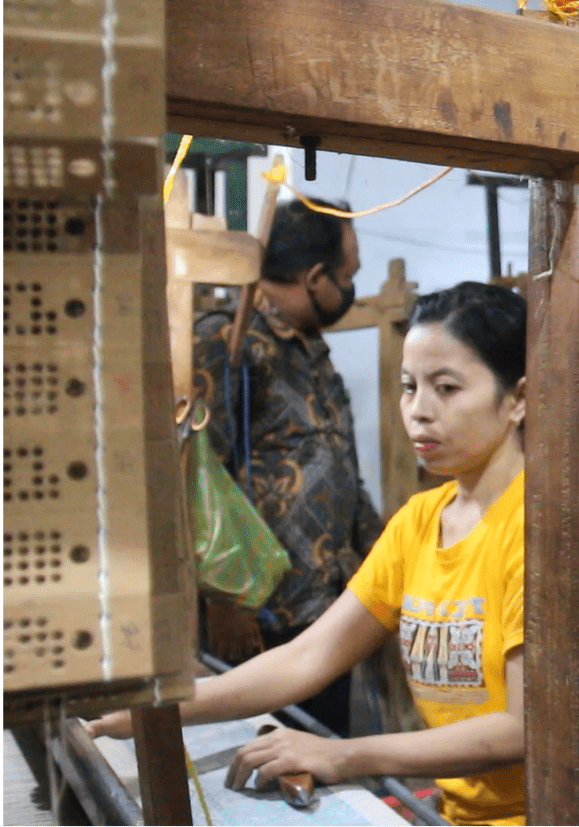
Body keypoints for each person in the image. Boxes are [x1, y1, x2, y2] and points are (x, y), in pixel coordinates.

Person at [92, 283, 531, 826]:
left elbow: (521, 727)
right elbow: (309, 656)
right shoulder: (421, 521)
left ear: (518, 399)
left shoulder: (536, 528)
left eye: (446, 388)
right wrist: (152, 708)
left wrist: (344, 754)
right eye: (408, 386)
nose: (418, 411)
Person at [193, 198, 385, 737]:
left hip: (325, 613)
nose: (349, 289)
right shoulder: (226, 342)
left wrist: (394, 559)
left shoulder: (312, 352)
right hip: (259, 620)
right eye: (348, 276)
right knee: (259, 778)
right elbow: (193, 480)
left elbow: (341, 473)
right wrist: (225, 600)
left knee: (320, 762)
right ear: (315, 276)